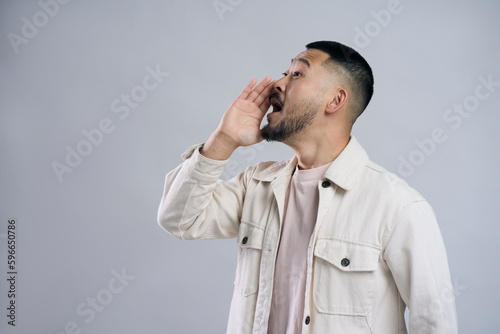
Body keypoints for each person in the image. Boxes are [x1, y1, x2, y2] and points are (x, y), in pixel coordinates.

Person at [157, 41, 458, 333]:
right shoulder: (257, 186)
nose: (277, 82)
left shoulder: (396, 206)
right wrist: (223, 138)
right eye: (285, 72)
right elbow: (179, 219)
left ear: (336, 100)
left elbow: (434, 321)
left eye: (297, 74)